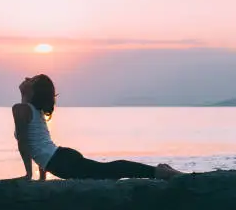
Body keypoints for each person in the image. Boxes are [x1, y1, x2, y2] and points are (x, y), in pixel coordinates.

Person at [12, 74, 182, 181]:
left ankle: (160, 172)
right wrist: (42, 177)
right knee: (108, 170)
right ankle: (158, 171)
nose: (26, 78)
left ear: (34, 90)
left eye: (31, 80)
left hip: (61, 161)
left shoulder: (22, 109)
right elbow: (40, 144)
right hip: (60, 158)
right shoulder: (32, 110)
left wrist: (29, 175)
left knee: (111, 170)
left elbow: (24, 143)